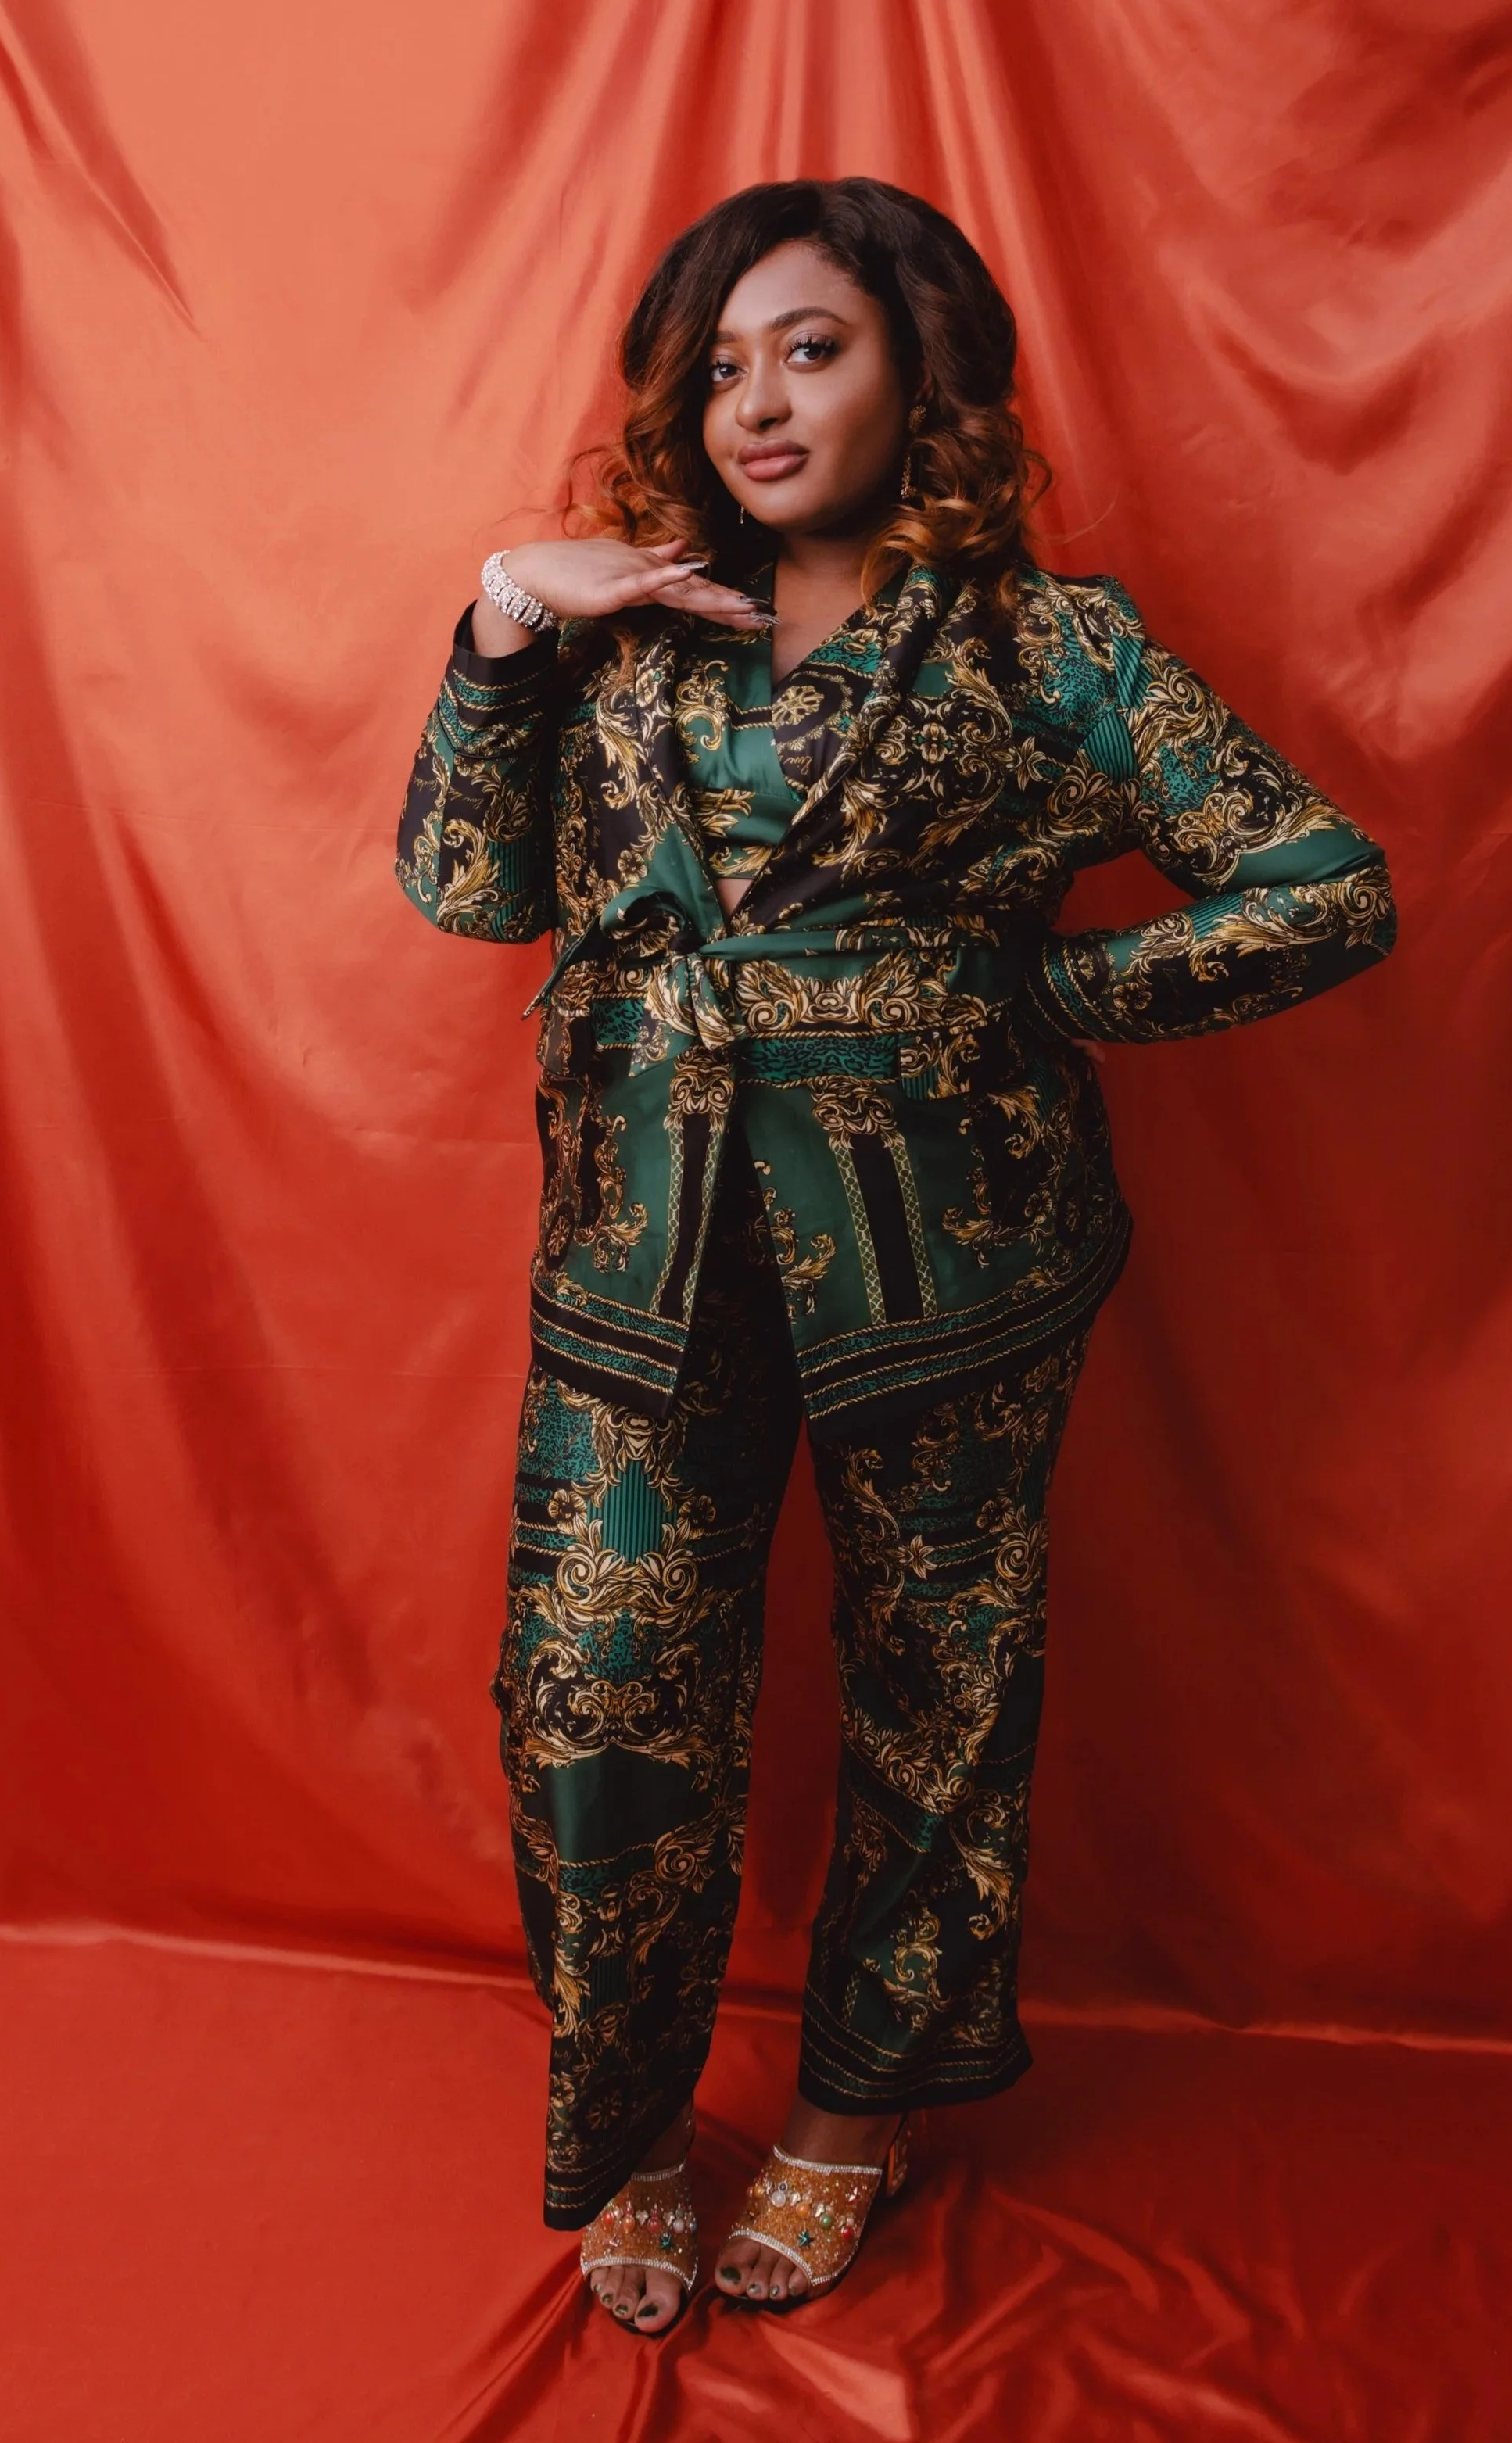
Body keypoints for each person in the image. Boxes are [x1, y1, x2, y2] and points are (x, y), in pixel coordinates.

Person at [396, 176, 1396, 2335]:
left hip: (948, 1264)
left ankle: (857, 2113)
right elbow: (468, 889)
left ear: (917, 373)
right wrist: (502, 618)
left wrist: (1044, 997)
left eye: (810, 349)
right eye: (721, 366)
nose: (757, 402)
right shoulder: (621, 630)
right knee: (595, 1691)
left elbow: (1324, 884)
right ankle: (631, 2126)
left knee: (939, 1692)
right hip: (642, 1254)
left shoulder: (1054, 649)